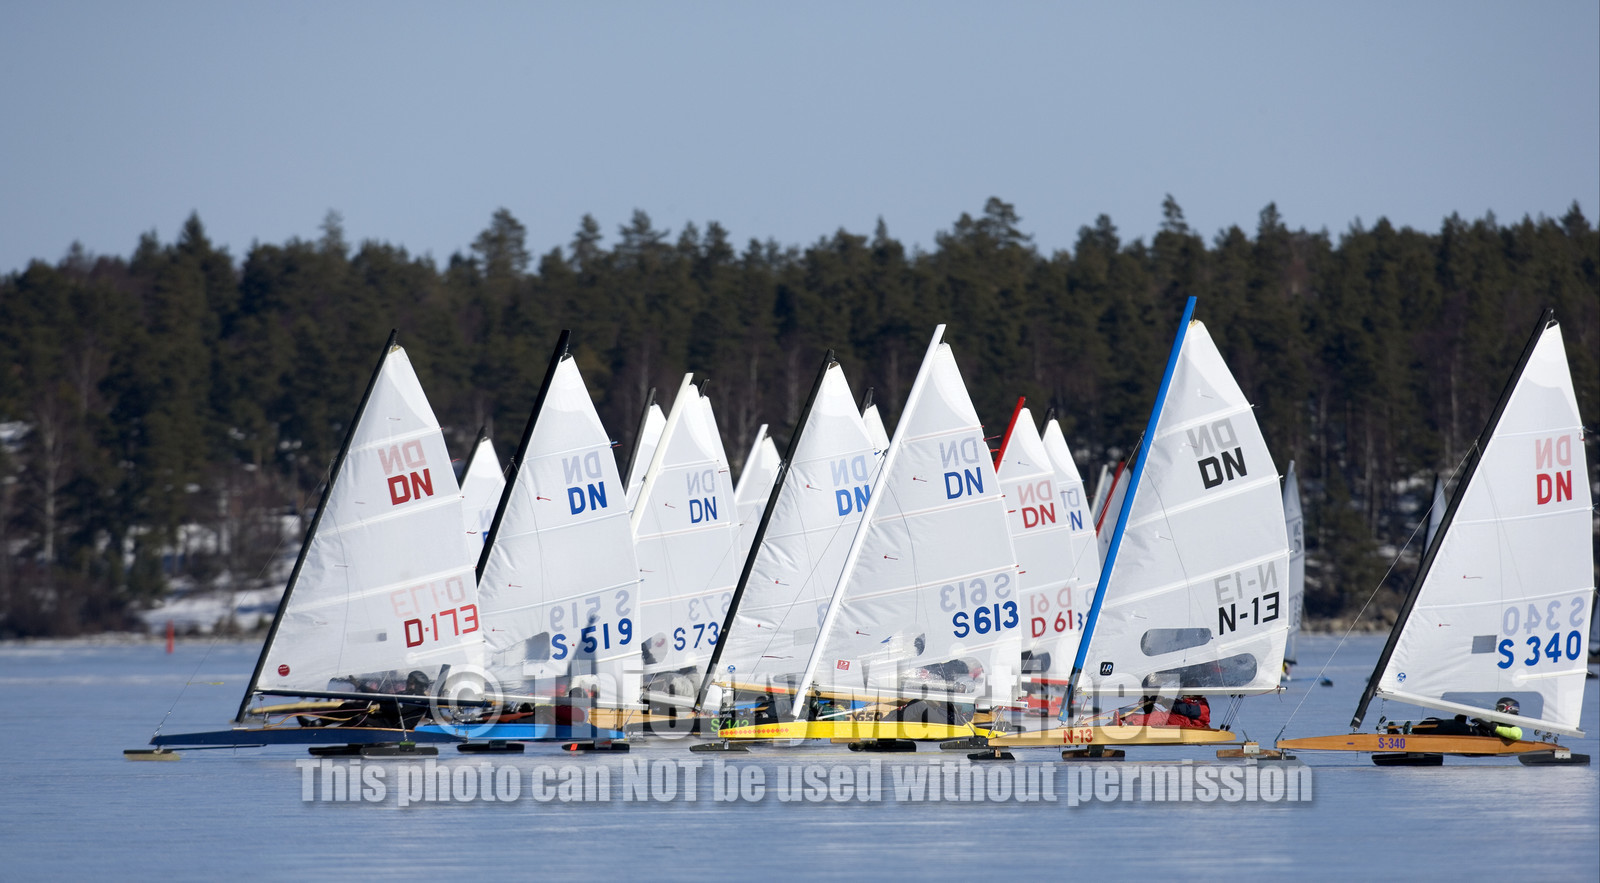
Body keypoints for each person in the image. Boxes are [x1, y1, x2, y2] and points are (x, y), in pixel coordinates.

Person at [1120, 694, 1211, 729]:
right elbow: (1179, 706)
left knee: (1160, 717)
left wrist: (1164, 701)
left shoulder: (1202, 705)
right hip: (1179, 719)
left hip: (1189, 724)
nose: (1183, 696)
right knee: (1157, 715)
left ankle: (1130, 724)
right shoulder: (1189, 702)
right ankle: (1124, 719)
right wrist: (1159, 700)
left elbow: (1185, 709)